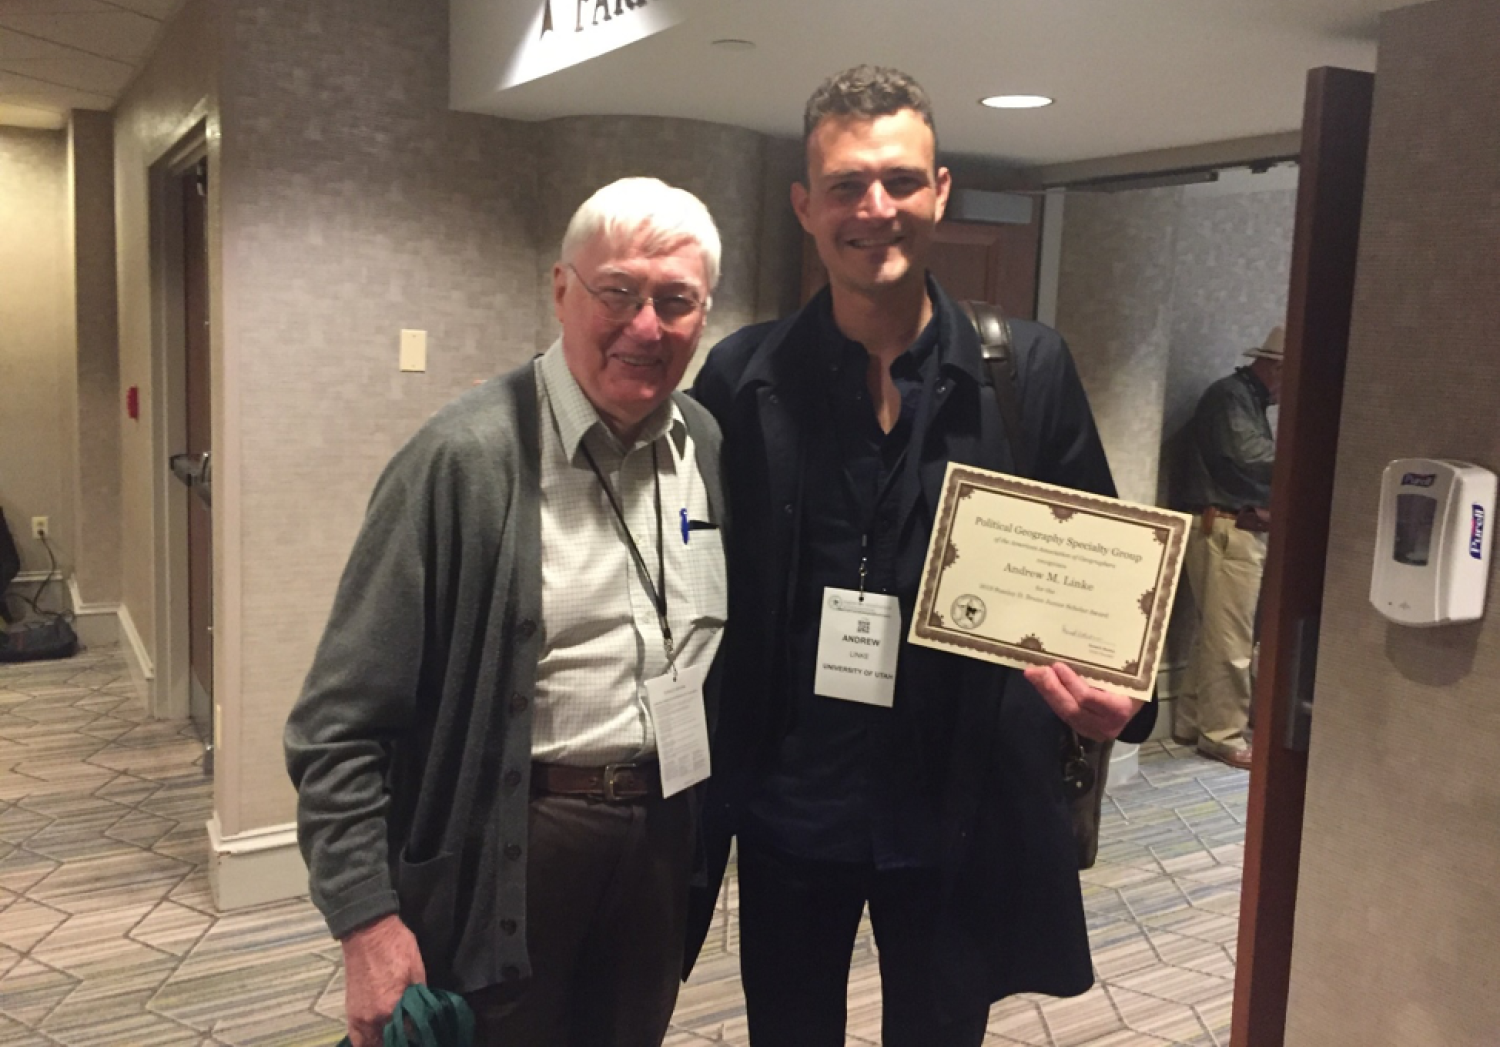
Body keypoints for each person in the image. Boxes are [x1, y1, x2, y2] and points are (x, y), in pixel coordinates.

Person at [688, 65, 1157, 1047]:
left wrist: (1128, 697)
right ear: (806, 206)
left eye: (900, 181)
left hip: (956, 805)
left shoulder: (1023, 368)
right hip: (791, 803)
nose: (876, 208)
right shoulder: (745, 376)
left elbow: (1104, 569)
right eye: (848, 185)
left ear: (940, 190)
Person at [285, 177, 728, 1047]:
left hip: (658, 845)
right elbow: (337, 723)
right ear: (562, 290)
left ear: (703, 311)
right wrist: (366, 921)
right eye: (618, 292)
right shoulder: (463, 461)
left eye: (675, 301)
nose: (647, 326)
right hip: (509, 857)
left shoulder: (704, 444)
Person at [1174, 327, 1283, 769]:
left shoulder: (1240, 396)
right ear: (1277, 367)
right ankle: (1223, 735)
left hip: (1219, 525)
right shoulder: (1231, 397)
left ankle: (1191, 720)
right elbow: (1252, 457)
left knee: (1215, 634)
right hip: (1227, 527)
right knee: (1232, 640)